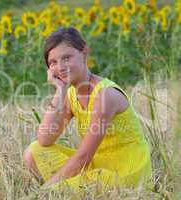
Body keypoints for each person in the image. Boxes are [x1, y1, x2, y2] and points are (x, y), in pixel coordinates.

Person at [23, 27, 152, 193]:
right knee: (33, 152)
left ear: (84, 53)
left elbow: (83, 157)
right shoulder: (70, 94)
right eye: (53, 62)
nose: (60, 67)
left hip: (126, 170)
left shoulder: (105, 95)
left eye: (66, 58)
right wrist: (60, 90)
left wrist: (43, 192)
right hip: (97, 164)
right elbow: (44, 139)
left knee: (59, 191)